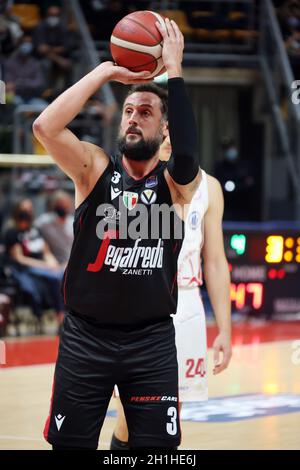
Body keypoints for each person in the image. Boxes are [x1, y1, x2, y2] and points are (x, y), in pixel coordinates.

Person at [33, 18, 200, 450]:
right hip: (87, 338)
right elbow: (44, 128)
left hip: (151, 341)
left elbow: (187, 154)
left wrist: (174, 68)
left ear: (165, 129)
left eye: (145, 112)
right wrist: (106, 71)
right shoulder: (93, 169)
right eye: (128, 110)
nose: (133, 118)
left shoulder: (177, 185)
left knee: (157, 452)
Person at [110, 135, 232, 450]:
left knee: (170, 414)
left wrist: (225, 329)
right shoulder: (130, 180)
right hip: (139, 301)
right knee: (130, 411)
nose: (168, 140)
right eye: (163, 133)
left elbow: (216, 262)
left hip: (187, 303)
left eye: (174, 133)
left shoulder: (210, 187)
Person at [3, 199, 65, 322]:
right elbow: (19, 258)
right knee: (55, 278)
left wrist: (53, 263)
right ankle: (60, 314)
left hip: (43, 266)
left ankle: (67, 313)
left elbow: (46, 252)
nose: (28, 212)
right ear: (17, 211)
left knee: (64, 274)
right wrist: (44, 265)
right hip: (26, 268)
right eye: (25, 210)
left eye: (30, 209)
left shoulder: (36, 230)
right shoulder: (12, 232)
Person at [35, 190, 74, 266]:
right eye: (60, 204)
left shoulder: (74, 222)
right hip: (54, 264)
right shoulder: (44, 222)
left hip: (73, 263)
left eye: (65, 204)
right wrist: (47, 254)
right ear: (54, 205)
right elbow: (33, 233)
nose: (63, 206)